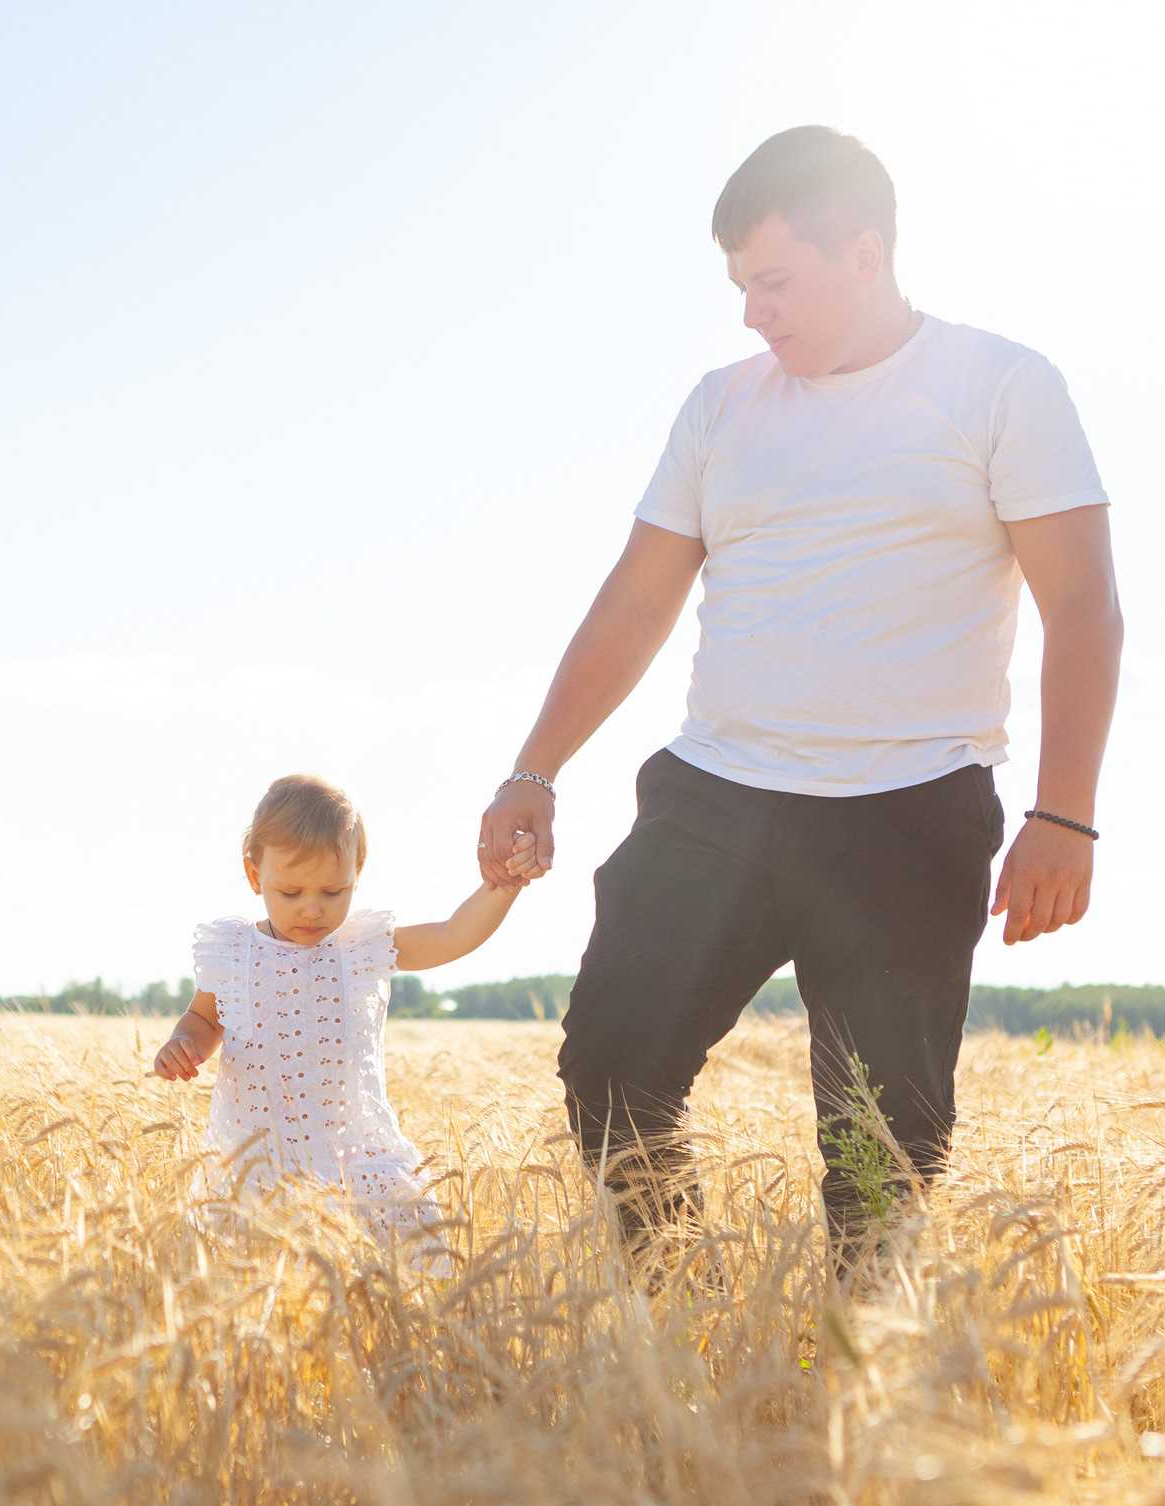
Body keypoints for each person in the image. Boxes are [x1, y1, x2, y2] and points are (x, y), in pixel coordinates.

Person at [477, 126, 1123, 1267]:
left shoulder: (1000, 386)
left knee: (881, 1146)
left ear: (864, 253)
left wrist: (1062, 813)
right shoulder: (720, 408)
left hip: (906, 810)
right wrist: (535, 768)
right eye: (738, 287)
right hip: (714, 799)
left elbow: (1081, 605)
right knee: (611, 1072)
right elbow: (634, 603)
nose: (751, 313)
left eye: (773, 282)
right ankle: (672, 1316)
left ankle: (851, 1389)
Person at [154, 774, 537, 1244]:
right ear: (256, 877)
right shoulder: (233, 952)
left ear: (357, 873)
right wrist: (184, 1043)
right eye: (291, 893)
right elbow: (206, 1018)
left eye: (333, 892)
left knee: (385, 1265)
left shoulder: (361, 947)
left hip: (352, 1153)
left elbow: (451, 936)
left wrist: (506, 884)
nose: (312, 910)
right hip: (259, 1158)